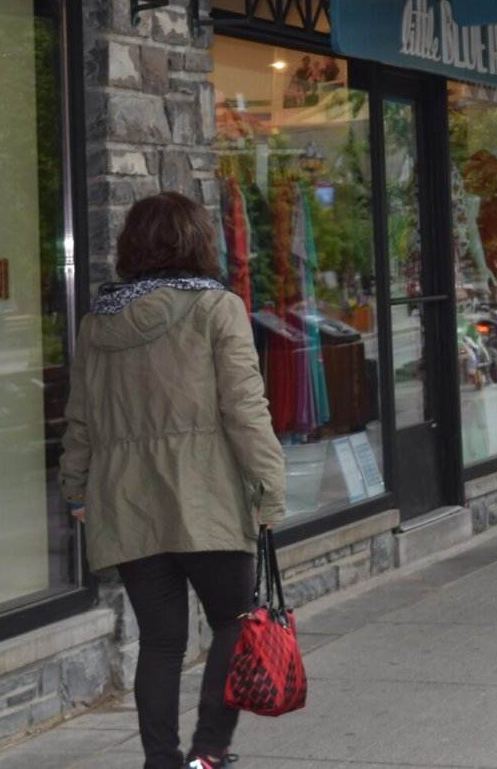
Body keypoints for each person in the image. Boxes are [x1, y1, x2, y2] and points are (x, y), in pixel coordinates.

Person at [61, 193, 288, 769]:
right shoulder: (217, 308)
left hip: (128, 501)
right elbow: (244, 407)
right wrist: (268, 487)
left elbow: (81, 415)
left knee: (160, 644)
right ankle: (207, 754)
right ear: (198, 242)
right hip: (207, 498)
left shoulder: (97, 324)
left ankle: (160, 762)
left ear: (131, 247)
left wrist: (76, 490)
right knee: (235, 625)